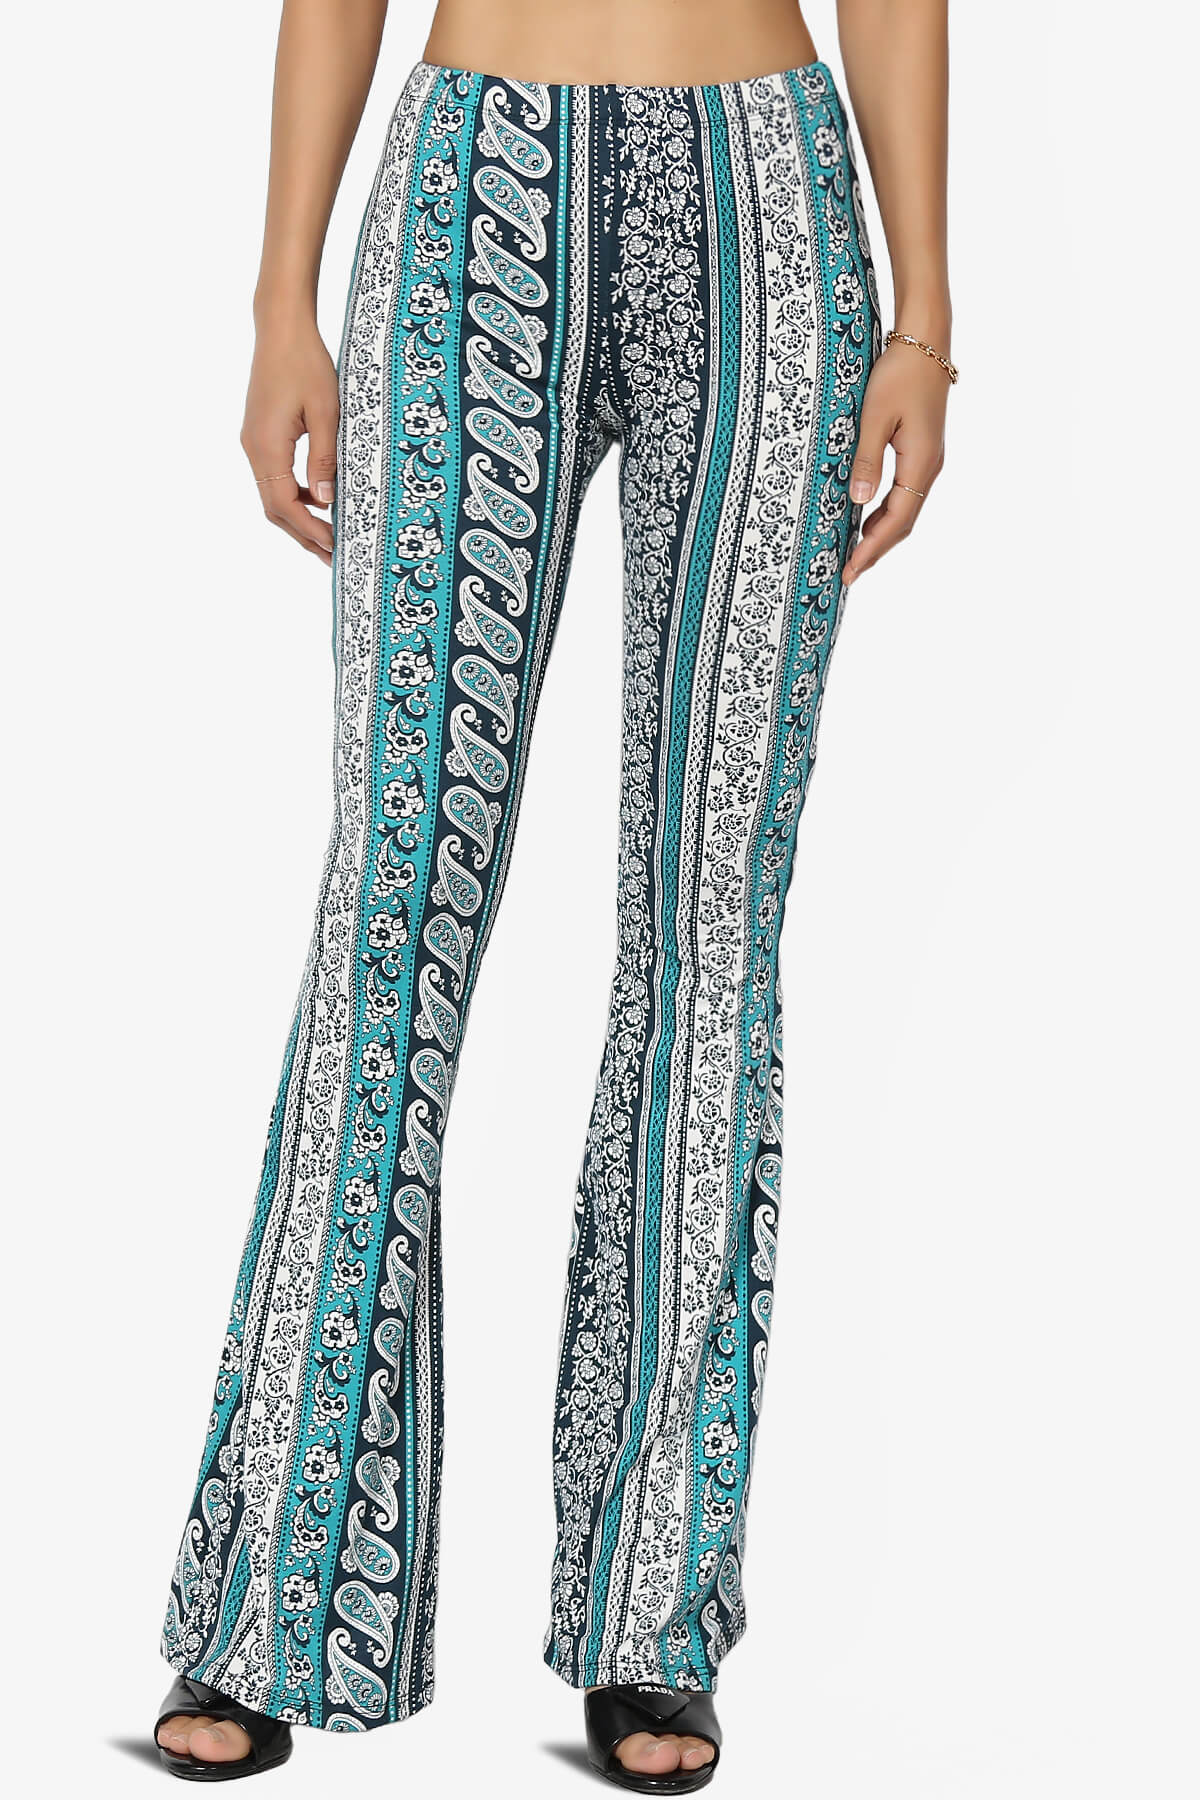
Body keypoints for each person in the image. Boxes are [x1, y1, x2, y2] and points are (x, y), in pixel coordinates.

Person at [153, 0, 955, 1788]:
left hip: (764, 196)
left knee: (708, 924)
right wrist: (281, 296)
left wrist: (926, 314)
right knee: (395, 911)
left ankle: (651, 1614)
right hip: (471, 185)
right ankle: (272, 1598)